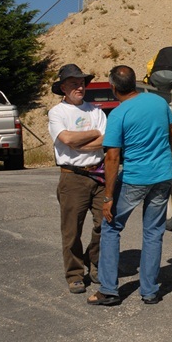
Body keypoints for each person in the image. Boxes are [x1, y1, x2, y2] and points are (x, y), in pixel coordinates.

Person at [88, 65, 172, 306]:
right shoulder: (158, 102)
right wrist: (163, 158)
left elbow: (112, 157)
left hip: (135, 178)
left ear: (113, 87)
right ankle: (149, 291)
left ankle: (108, 290)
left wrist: (107, 198)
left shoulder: (118, 114)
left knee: (111, 227)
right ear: (135, 83)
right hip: (162, 176)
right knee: (153, 232)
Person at [47, 64, 107, 294]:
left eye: (81, 82)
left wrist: (80, 141)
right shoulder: (57, 113)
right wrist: (93, 134)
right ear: (63, 87)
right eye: (73, 83)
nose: (79, 86)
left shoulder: (96, 111)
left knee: (105, 224)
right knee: (71, 230)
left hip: (99, 174)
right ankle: (74, 274)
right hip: (72, 177)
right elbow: (67, 139)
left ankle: (96, 263)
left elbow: (107, 139)